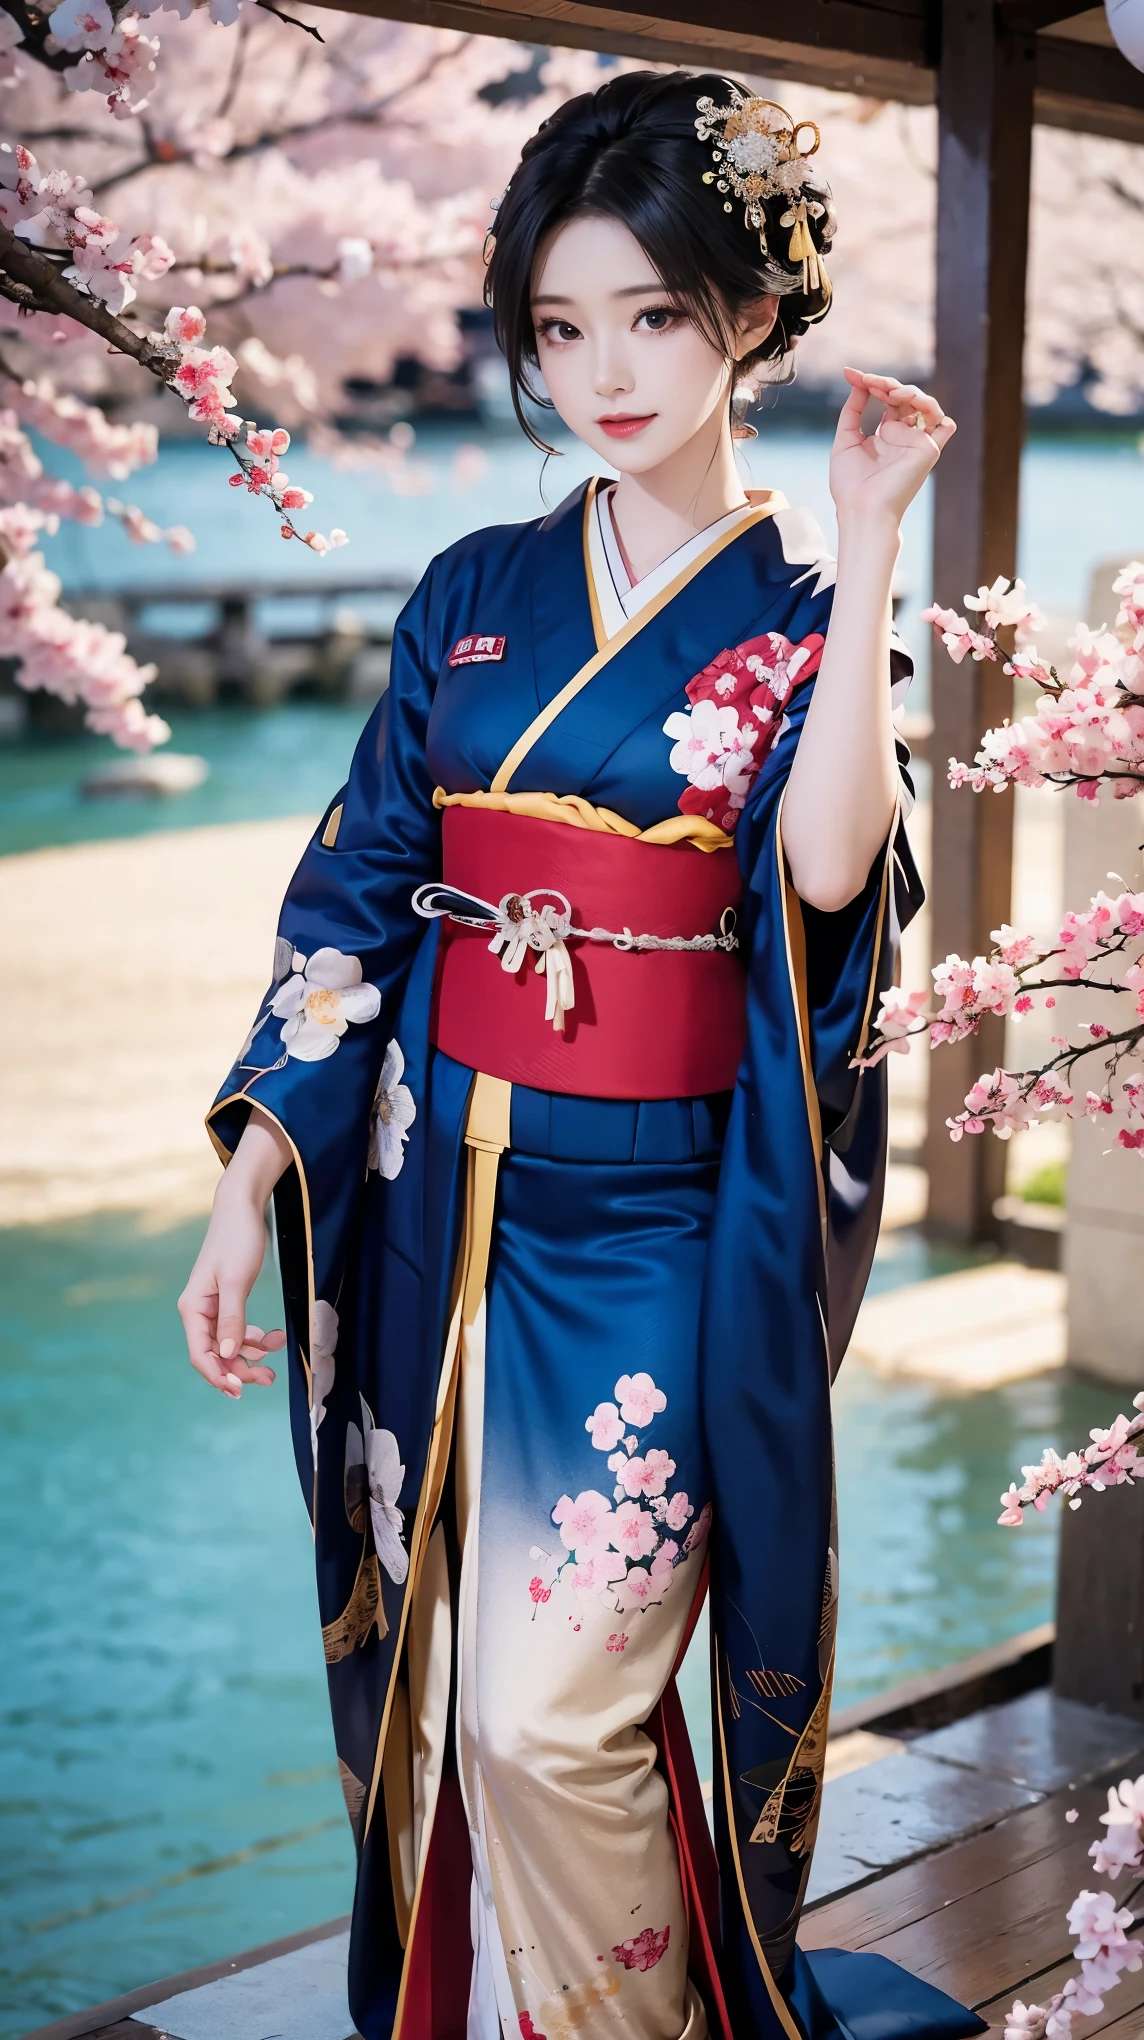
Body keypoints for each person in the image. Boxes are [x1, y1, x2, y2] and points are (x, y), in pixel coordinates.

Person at [179, 69, 983, 2040]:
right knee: (454, 1714)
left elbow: (821, 872)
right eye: (558, 327)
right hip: (430, 1223)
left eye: (651, 315)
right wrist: (247, 1179)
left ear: (747, 316)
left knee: (553, 1724)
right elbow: (360, 888)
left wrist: (872, 538)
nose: (602, 370)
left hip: (652, 1238)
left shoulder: (799, 616)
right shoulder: (470, 594)